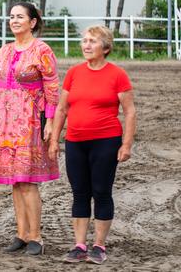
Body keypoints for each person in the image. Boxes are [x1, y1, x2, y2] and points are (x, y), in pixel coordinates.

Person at [47, 25, 136, 265]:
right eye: (84, 41)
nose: (86, 45)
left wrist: (126, 145)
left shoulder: (117, 75)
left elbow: (129, 112)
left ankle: (99, 246)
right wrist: (55, 139)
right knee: (79, 193)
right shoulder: (75, 73)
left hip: (106, 142)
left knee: (101, 192)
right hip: (75, 142)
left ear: (105, 47)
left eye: (92, 41)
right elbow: (62, 109)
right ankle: (79, 245)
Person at [0, 2, 60, 256]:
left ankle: (36, 236)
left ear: (32, 22)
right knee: (14, 182)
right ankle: (21, 233)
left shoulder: (42, 50)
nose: (14, 21)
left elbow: (52, 89)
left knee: (28, 182)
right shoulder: (3, 51)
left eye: (19, 17)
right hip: (4, 122)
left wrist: (50, 122)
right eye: (11, 17)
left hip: (30, 121)